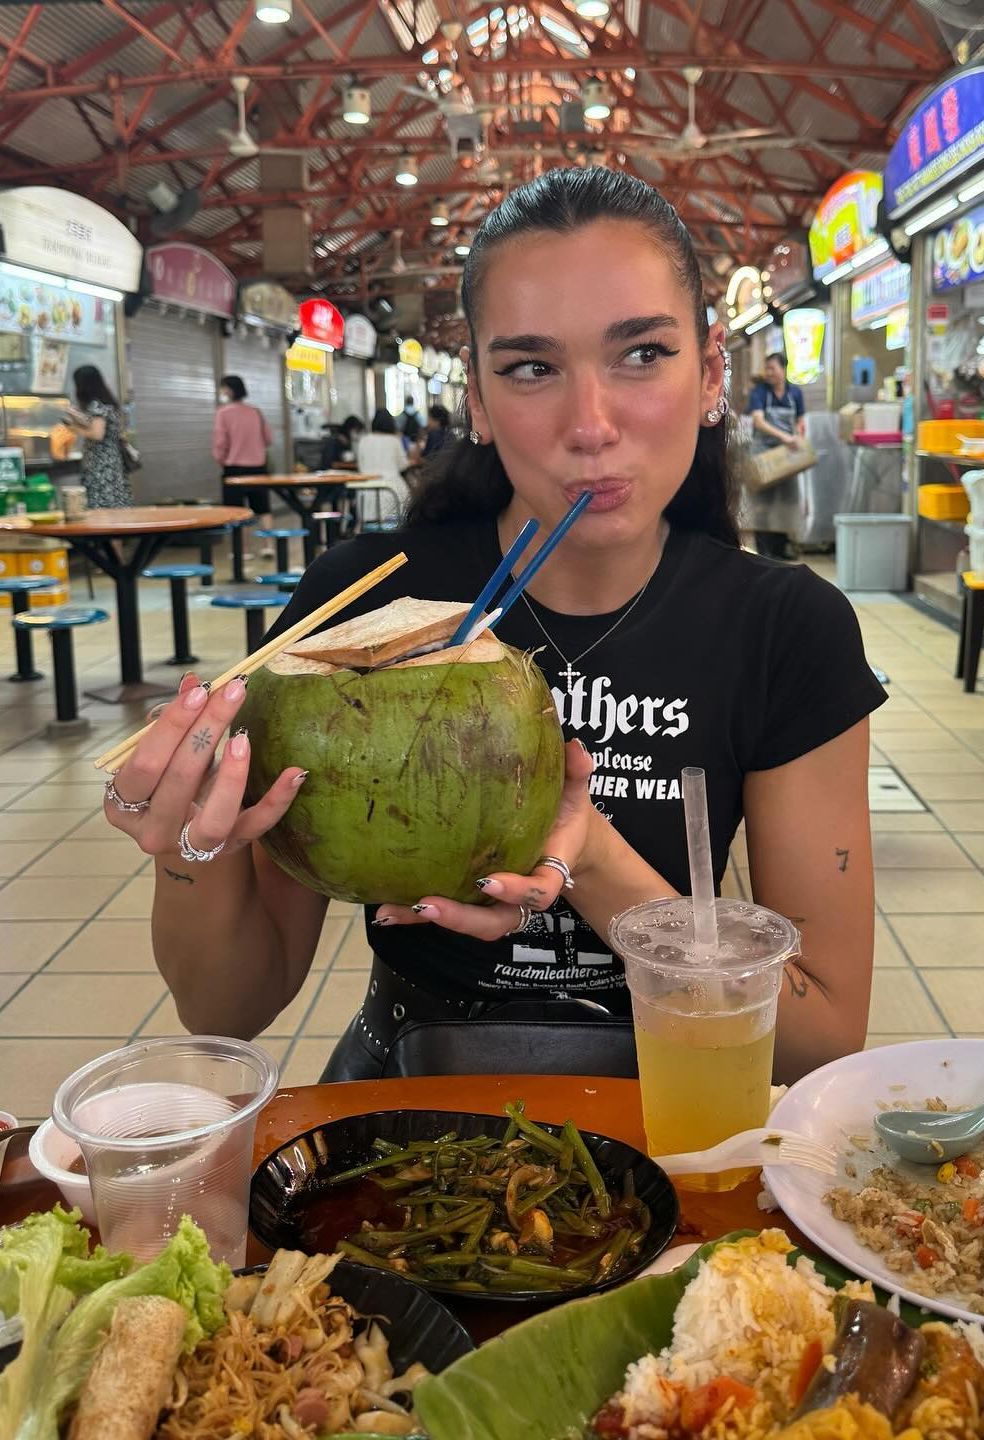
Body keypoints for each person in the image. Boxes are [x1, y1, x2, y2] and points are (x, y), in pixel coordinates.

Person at [105, 167, 884, 1088]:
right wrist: (189, 845)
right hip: (411, 1084)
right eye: (530, 368)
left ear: (711, 372)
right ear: (475, 396)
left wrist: (592, 858)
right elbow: (227, 1006)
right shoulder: (360, 608)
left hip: (674, 1099)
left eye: (641, 354)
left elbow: (824, 1031)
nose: (590, 425)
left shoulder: (786, 627)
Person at [746, 352, 806, 561]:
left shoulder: (795, 393)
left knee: (786, 502)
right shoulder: (760, 392)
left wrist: (797, 436)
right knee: (763, 503)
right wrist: (785, 437)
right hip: (764, 454)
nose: (769, 373)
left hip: (787, 455)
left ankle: (782, 547)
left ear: (783, 369)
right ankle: (765, 551)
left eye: (772, 368)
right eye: (767, 368)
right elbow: (758, 421)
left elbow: (800, 419)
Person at [213, 375, 274, 542]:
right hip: (258, 467)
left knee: (237, 511)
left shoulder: (223, 413)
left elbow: (220, 442)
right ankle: (268, 546)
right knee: (263, 509)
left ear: (229, 390)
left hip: (234, 469)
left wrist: (221, 460)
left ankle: (243, 552)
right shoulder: (255, 412)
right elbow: (268, 439)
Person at [64, 366, 131, 509]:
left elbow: (97, 434)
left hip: (102, 464)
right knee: (113, 502)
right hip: (110, 461)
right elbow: (96, 425)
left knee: (102, 503)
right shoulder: (106, 404)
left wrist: (73, 427)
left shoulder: (97, 406)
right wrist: (77, 417)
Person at [353, 407, 410, 526]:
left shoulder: (363, 440)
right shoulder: (394, 440)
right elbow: (403, 465)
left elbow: (360, 465)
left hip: (366, 491)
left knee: (369, 528)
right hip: (392, 490)